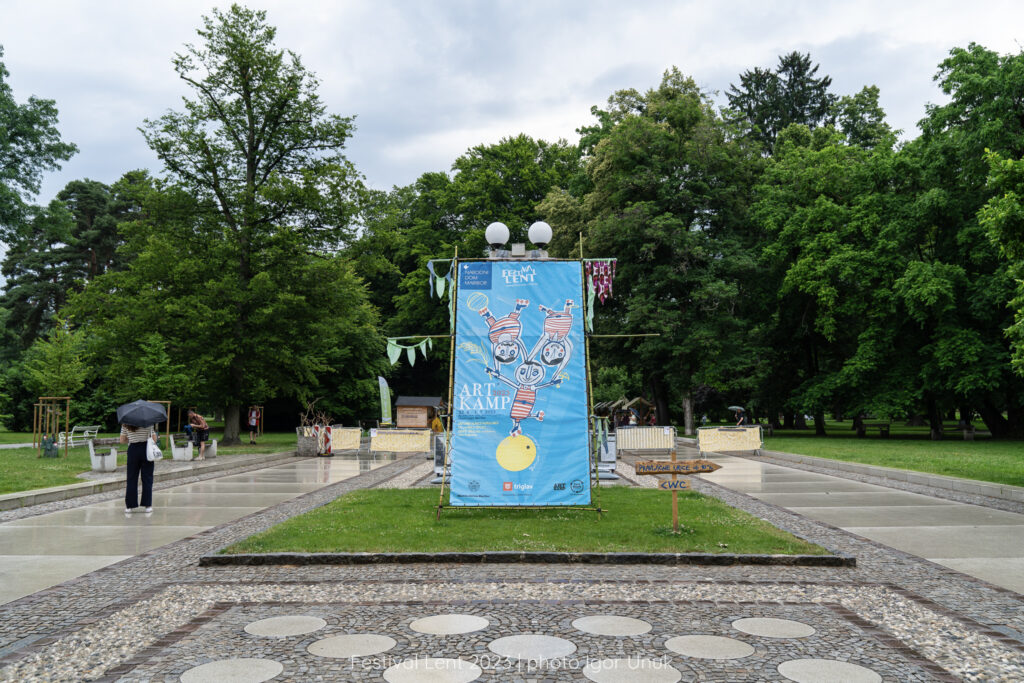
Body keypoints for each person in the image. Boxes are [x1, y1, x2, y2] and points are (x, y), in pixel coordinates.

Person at [121, 423, 158, 513]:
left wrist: (131, 439)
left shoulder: (125, 424)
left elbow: (122, 440)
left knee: (131, 478)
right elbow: (154, 439)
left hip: (133, 450)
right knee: (147, 478)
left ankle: (129, 506)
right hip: (146, 449)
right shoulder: (148, 423)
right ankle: (147, 505)